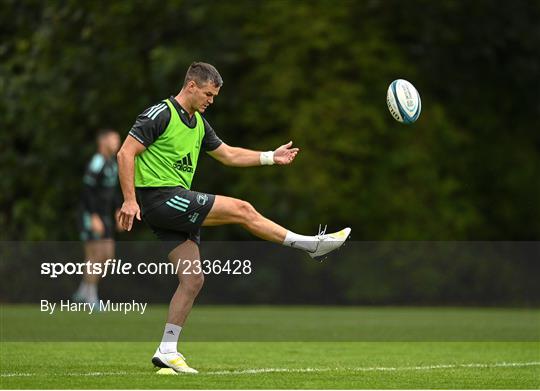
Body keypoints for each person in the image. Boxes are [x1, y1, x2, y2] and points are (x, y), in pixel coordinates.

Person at [117, 62, 351, 374]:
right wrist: (130, 200)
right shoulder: (160, 114)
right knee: (242, 209)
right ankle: (310, 245)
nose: (211, 100)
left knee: (192, 280)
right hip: (161, 198)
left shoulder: (199, 123)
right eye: (208, 94)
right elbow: (125, 153)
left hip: (169, 207)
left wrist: (270, 156)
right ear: (191, 86)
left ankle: (167, 350)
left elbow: (228, 154)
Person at [73, 129, 122, 306]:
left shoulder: (112, 164)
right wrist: (93, 216)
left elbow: (113, 191)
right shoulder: (97, 161)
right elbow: (87, 190)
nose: (117, 143)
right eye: (113, 140)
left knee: (108, 256)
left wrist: (118, 210)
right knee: (94, 255)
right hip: (91, 214)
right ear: (103, 142)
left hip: (105, 216)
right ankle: (91, 297)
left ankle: (83, 290)